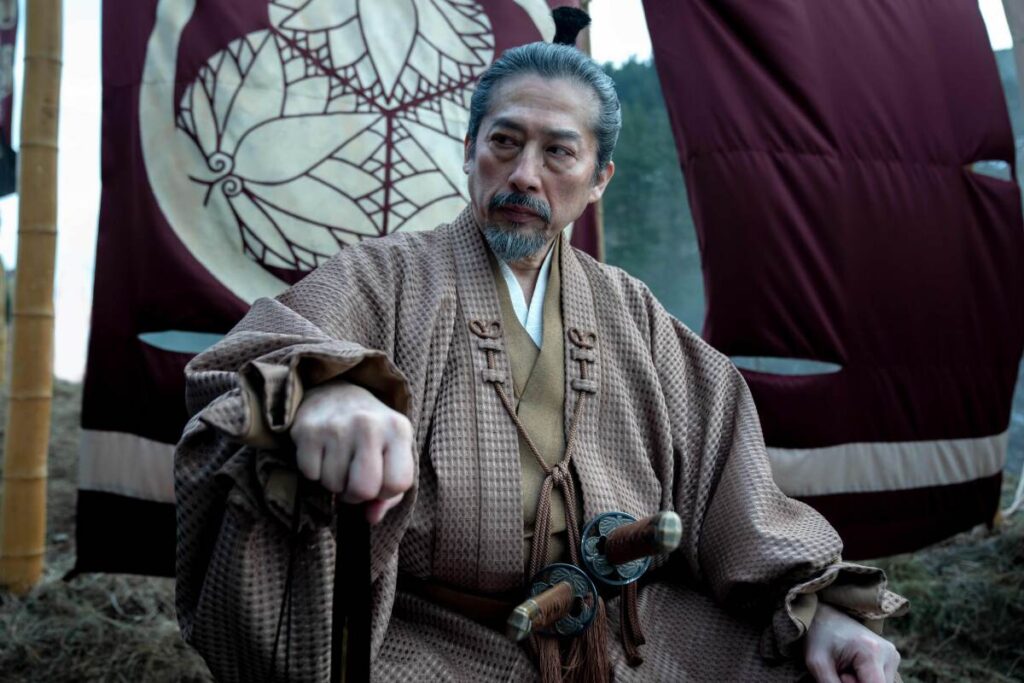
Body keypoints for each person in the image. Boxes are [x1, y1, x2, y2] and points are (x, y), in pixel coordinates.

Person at [175, 13, 907, 683]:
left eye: (559, 152)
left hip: (629, 631)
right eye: (505, 141)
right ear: (469, 152)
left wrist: (820, 609)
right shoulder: (385, 277)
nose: (525, 173)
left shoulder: (635, 315)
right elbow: (252, 360)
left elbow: (729, 489)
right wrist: (325, 392)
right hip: (435, 639)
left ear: (598, 180)